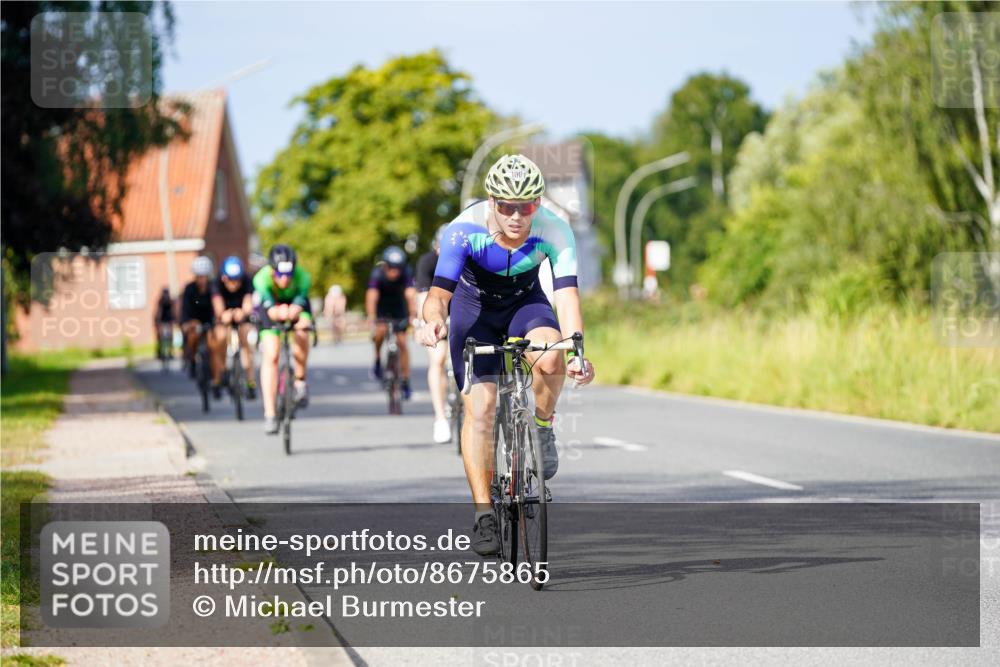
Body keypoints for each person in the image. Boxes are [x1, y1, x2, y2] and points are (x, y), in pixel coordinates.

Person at [418, 154, 595, 556]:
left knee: (551, 355)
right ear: (492, 201)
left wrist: (576, 351)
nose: (517, 216)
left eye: (526, 207)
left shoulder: (555, 230)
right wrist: (433, 322)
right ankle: (484, 514)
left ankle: (542, 426)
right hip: (474, 309)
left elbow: (567, 297)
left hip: (524, 303)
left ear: (538, 203)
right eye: (507, 206)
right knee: (480, 410)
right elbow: (439, 296)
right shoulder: (463, 230)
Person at [253, 244, 313, 434]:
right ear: (272, 270)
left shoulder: (303, 277)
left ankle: (300, 381)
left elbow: (300, 303)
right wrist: (279, 312)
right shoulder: (261, 278)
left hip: (294, 304)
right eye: (280, 274)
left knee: (302, 330)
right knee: (271, 355)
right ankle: (270, 413)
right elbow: (271, 310)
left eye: (289, 274)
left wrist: (294, 311)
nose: (285, 279)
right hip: (271, 306)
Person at [415, 225, 452, 444]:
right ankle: (440, 418)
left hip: (461, 310)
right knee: (438, 360)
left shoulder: (466, 259)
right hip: (436, 311)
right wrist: (424, 324)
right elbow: (423, 297)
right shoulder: (427, 262)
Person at [366, 246, 417, 399]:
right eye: (391, 268)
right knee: (380, 332)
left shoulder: (406, 272)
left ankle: (405, 381)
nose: (395, 272)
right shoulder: (377, 274)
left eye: (398, 268)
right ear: (385, 265)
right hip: (382, 307)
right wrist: (371, 317)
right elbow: (372, 296)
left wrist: (413, 314)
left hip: (399, 307)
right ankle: (377, 360)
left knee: (402, 343)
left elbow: (410, 294)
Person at [211, 256, 256, 399]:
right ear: (224, 278)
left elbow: (248, 303)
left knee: (246, 340)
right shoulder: (216, 283)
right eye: (230, 280)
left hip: (241, 315)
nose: (234, 284)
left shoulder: (247, 280)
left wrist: (243, 312)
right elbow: (218, 306)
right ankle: (219, 377)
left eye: (237, 280)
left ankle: (250, 382)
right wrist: (224, 315)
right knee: (220, 339)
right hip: (224, 314)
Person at [180, 256, 219, 381]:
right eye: (199, 276)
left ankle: (214, 372)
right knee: (193, 336)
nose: (202, 279)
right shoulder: (189, 289)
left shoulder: (213, 288)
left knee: (213, 343)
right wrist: (186, 322)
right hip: (193, 320)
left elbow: (217, 306)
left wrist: (216, 320)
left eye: (204, 276)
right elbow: (185, 308)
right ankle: (192, 360)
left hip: (210, 320)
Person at [153, 287, 175, 360]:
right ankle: (160, 352)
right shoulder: (160, 302)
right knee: (160, 336)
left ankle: (170, 352)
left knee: (170, 336)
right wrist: (158, 323)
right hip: (162, 321)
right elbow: (158, 313)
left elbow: (173, 312)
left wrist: (173, 321)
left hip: (169, 321)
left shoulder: (171, 302)